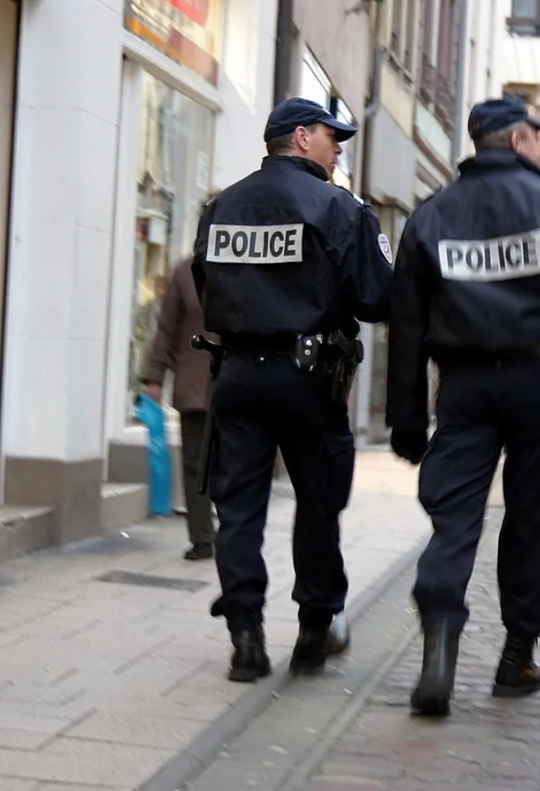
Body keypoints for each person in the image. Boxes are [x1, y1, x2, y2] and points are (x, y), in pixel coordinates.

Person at [386, 95, 540, 717]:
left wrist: (408, 419)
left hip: (463, 387)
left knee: (455, 519)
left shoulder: (431, 215)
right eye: (537, 137)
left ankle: (439, 648)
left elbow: (406, 329)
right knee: (531, 516)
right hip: (537, 383)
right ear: (518, 142)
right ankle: (516, 656)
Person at [192, 98, 393, 683]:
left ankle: (246, 637)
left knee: (239, 510)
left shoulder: (220, 206)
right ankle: (314, 627)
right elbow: (379, 298)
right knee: (319, 502)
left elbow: (205, 282)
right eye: (333, 137)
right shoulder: (338, 207)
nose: (339, 148)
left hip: (237, 376)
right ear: (301, 138)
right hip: (308, 379)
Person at [142, 199, 219, 560]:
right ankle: (203, 537)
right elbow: (166, 329)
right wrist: (153, 376)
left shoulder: (247, 272)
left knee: (234, 464)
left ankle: (233, 532)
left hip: (239, 383)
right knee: (196, 464)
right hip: (194, 385)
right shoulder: (184, 273)